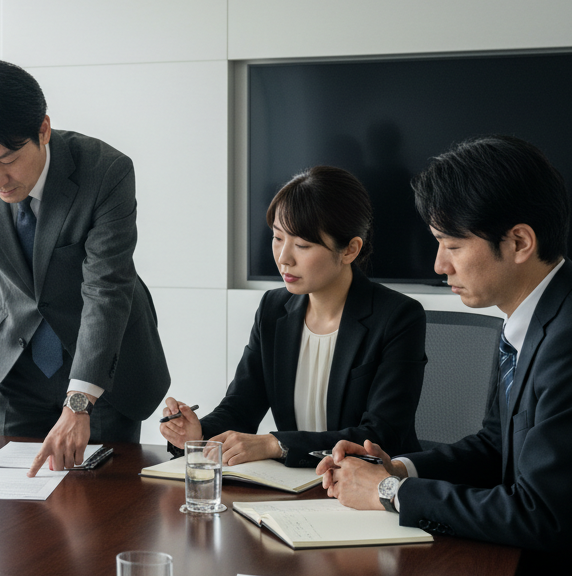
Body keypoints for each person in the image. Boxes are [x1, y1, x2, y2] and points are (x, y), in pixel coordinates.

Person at [318, 135, 572, 576]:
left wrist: (387, 495)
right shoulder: (539, 316)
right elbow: (497, 444)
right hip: (550, 570)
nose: (438, 265)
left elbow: (538, 514)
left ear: (519, 242)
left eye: (452, 245)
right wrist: (400, 471)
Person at [0, 58, 170, 476]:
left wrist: (80, 401)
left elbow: (106, 289)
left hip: (103, 364)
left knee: (104, 502)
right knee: (15, 502)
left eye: (8, 159)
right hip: (17, 358)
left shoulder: (105, 171)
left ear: (43, 130)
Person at [161, 166, 426, 467]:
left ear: (350, 250)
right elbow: (240, 408)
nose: (284, 257)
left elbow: (380, 434)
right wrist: (198, 433)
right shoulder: (274, 310)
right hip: (293, 486)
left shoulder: (398, 317)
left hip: (371, 485)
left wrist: (277, 444)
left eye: (302, 244)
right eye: (277, 238)